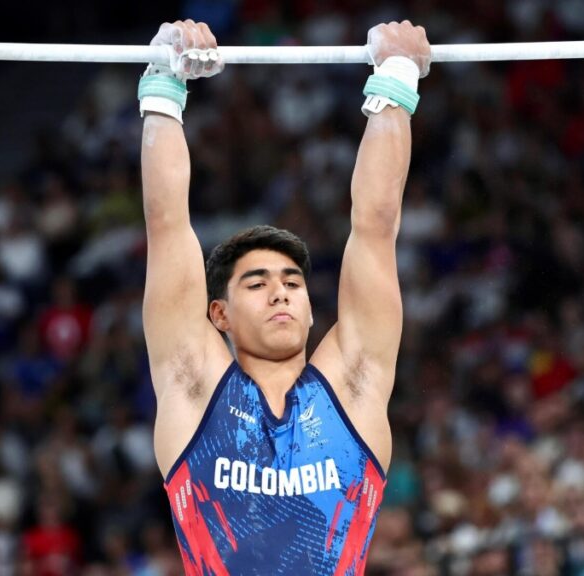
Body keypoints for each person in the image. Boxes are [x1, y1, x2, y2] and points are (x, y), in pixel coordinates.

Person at [139, 18, 431, 575]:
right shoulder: (193, 386)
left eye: (293, 283)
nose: (280, 293)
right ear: (218, 313)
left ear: (311, 308)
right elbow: (166, 224)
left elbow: (376, 227)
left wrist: (396, 81)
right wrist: (164, 84)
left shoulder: (354, 386)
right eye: (257, 283)